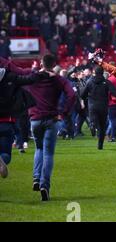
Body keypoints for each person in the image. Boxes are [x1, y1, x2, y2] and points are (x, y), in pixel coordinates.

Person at [26, 55, 76, 201]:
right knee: (48, 153)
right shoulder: (58, 80)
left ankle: (36, 178)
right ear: (54, 65)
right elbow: (72, 95)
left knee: (38, 148)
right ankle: (44, 185)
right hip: (52, 119)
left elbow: (21, 84)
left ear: (41, 63)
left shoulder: (33, 77)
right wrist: (64, 112)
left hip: (35, 119)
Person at [0, 68, 49, 179]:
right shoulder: (9, 77)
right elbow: (29, 79)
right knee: (6, 155)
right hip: (7, 121)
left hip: (8, 120)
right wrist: (41, 73)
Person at [81, 66, 116, 150]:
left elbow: (83, 94)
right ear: (102, 72)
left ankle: (92, 125)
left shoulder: (89, 82)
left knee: (95, 121)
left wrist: (87, 97)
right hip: (103, 106)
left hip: (92, 106)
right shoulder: (106, 82)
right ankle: (100, 145)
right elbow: (115, 92)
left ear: (94, 72)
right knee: (102, 126)